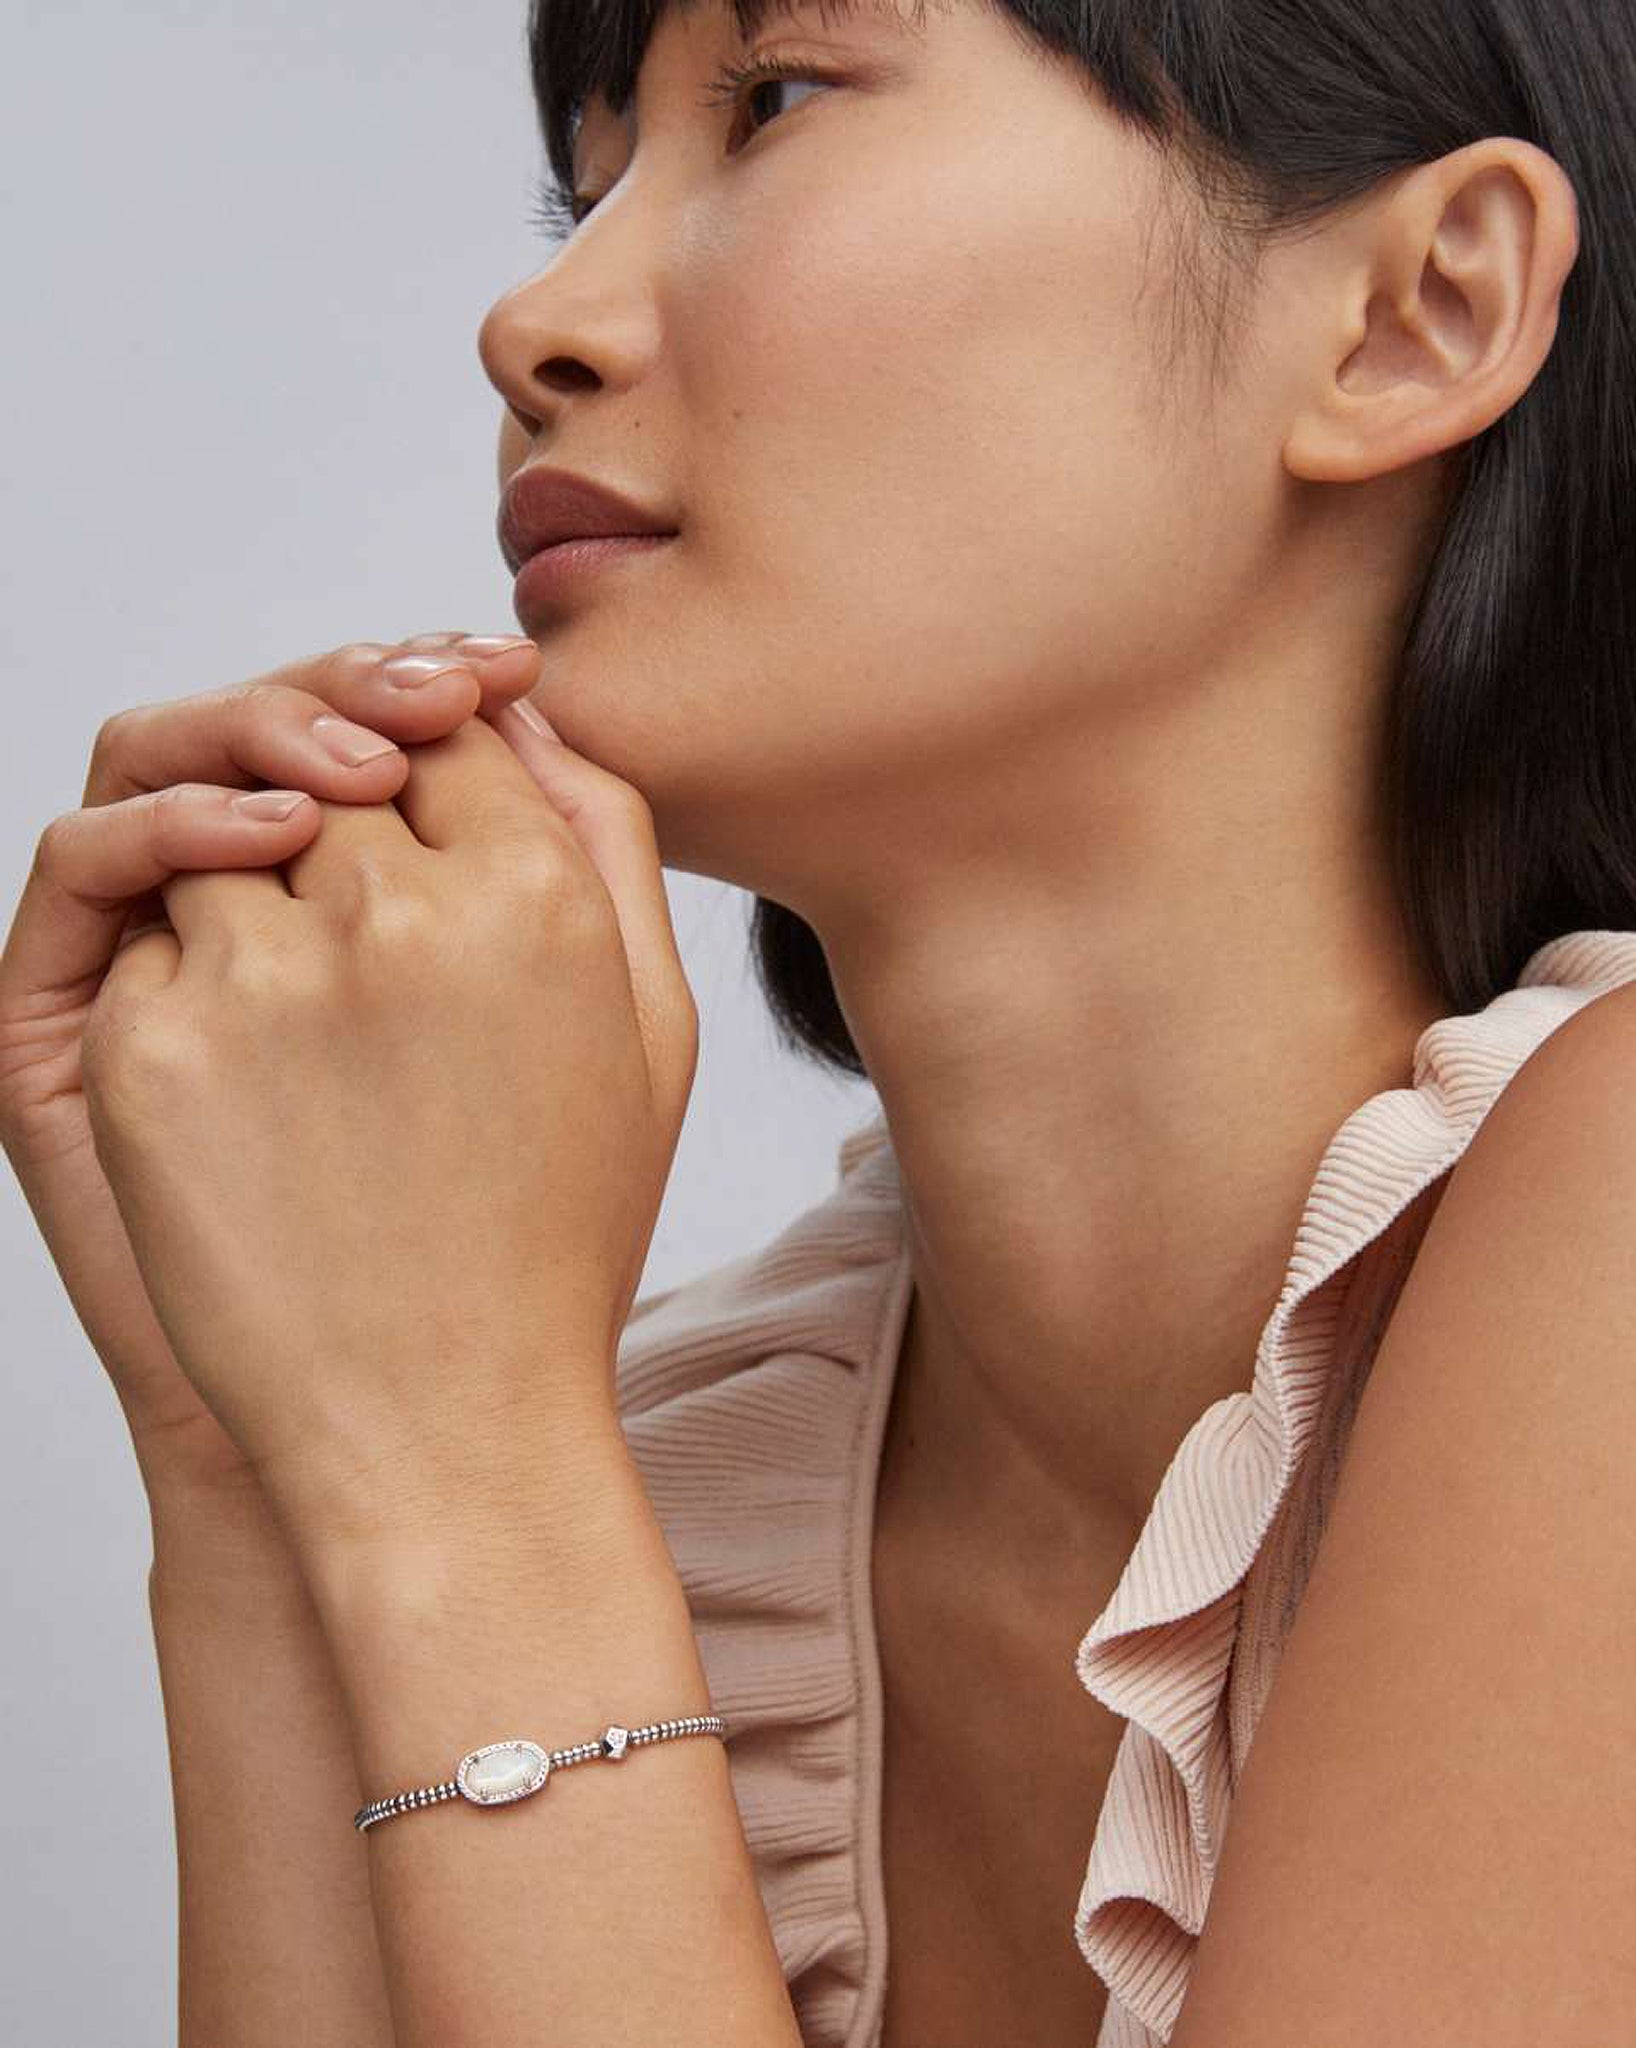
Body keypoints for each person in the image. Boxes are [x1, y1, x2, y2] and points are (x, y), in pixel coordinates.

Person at [3, 0, 1633, 2041]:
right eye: (580, 184)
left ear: (1412, 311)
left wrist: (459, 1485)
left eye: (771, 101)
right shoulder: (649, 1494)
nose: (537, 321)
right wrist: (252, 1457)